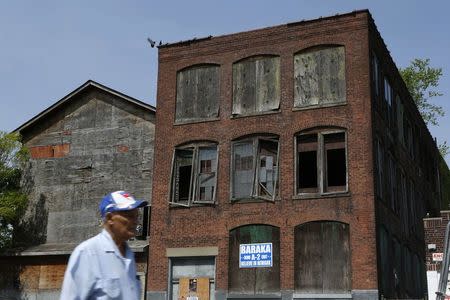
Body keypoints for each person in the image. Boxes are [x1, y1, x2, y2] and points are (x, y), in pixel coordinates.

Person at [60, 191, 148, 300]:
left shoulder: (129, 256)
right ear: (110, 218)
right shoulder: (88, 253)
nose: (135, 221)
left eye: (136, 216)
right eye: (129, 216)